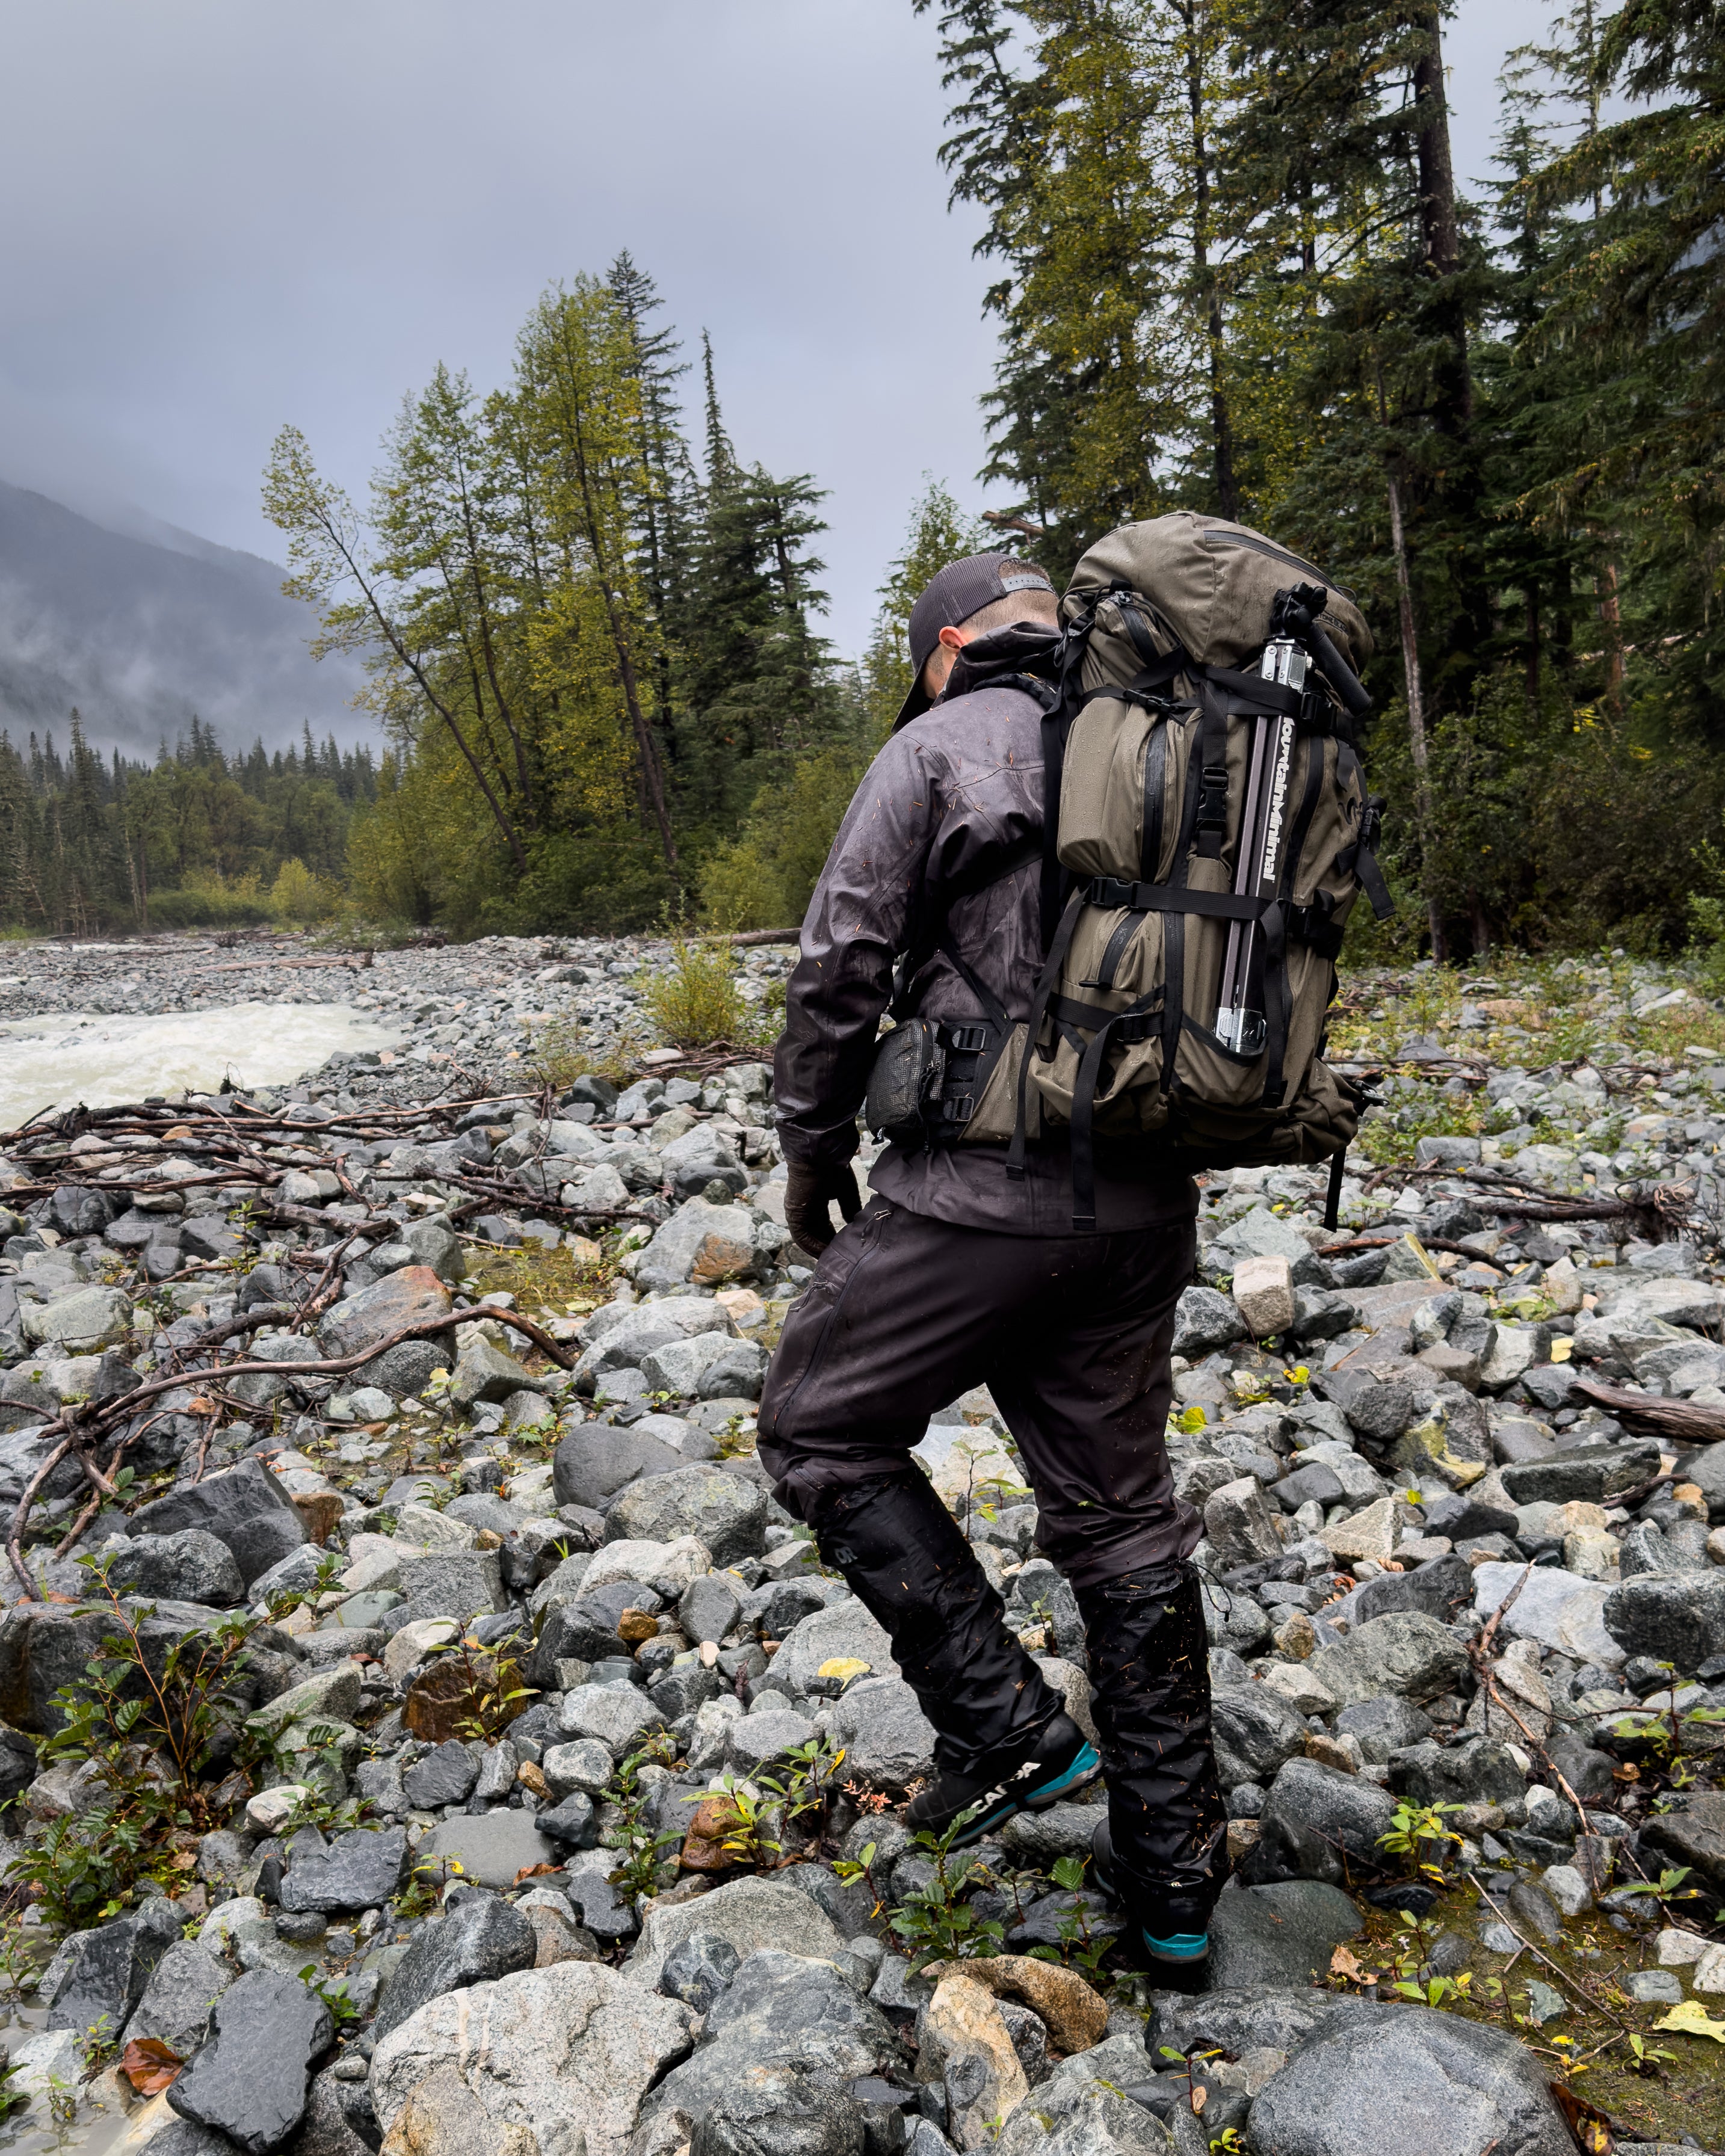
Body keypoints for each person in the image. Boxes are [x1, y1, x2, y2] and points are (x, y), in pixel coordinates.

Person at [756, 552, 1230, 1979]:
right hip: (1142, 1208)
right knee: (1124, 1523)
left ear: (950, 644)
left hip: (976, 1200)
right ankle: (1178, 1888)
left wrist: (809, 1146)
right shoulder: (1177, 741)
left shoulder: (935, 745)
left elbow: (841, 962)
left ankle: (1010, 1727)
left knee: (816, 1424)